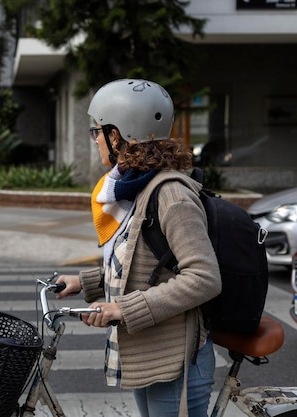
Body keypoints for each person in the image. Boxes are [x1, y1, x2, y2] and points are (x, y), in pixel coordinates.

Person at [55, 79, 221, 417]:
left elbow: (204, 277)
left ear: (117, 135)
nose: (96, 139)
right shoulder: (137, 189)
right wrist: (86, 283)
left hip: (176, 361)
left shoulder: (171, 194)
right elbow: (143, 262)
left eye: (97, 131)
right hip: (150, 353)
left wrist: (122, 310)